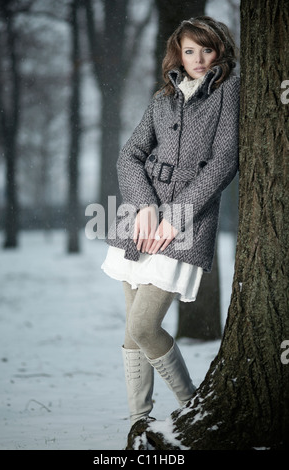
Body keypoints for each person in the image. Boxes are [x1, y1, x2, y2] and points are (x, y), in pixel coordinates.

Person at [101, 16, 240, 428]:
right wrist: (144, 206)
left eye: (206, 49)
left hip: (186, 224)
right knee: (132, 328)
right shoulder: (163, 96)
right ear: (177, 53)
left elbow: (223, 163)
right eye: (189, 50)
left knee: (144, 325)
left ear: (220, 51)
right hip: (139, 221)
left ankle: (194, 409)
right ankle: (138, 419)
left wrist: (175, 217)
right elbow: (130, 156)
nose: (198, 59)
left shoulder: (228, 91)